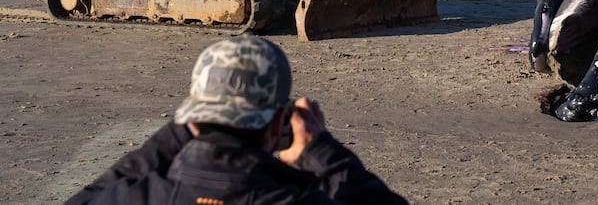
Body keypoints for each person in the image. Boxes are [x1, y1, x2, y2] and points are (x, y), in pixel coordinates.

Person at [66, 35, 408, 205]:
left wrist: (177, 134)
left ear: (194, 122)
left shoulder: (131, 196)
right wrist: (323, 151)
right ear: (278, 124)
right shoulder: (299, 197)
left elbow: (91, 193)